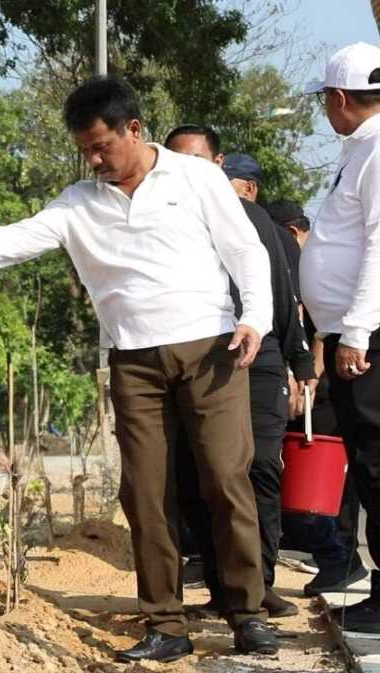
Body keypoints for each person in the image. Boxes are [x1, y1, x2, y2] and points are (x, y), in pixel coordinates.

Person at [0, 77, 278, 661]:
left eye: (103, 146)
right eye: (85, 150)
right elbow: (15, 240)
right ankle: (165, 625)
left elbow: (245, 252)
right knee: (145, 493)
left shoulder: (195, 176)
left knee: (227, 480)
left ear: (134, 129)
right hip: (134, 360)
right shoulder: (79, 203)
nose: (95, 159)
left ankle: (248, 613)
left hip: (212, 350)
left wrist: (255, 316)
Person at [162, 131, 316, 619]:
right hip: (199, 362)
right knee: (201, 476)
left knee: (258, 471)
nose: (189, 168)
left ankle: (260, 582)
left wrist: (301, 365)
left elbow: (283, 294)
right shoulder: (161, 220)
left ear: (218, 161)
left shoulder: (255, 220)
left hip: (260, 360)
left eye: (199, 159)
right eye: (178, 160)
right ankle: (220, 586)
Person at [301, 42, 380, 633]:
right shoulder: (361, 150)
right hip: (356, 333)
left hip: (369, 338)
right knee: (369, 465)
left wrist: (354, 331)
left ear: (338, 98)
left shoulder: (377, 150)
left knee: (378, 466)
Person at [266, 199, 368, 598]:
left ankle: (340, 555)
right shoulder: (307, 266)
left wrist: (310, 374)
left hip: (322, 382)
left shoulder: (314, 266)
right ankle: (336, 554)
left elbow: (323, 328)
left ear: (290, 234)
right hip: (313, 380)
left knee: (324, 472)